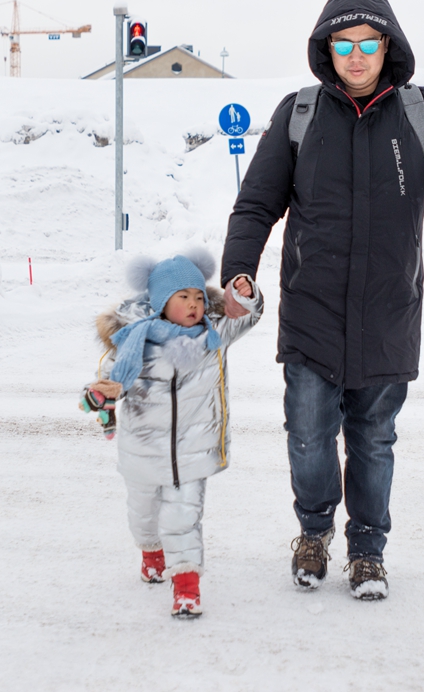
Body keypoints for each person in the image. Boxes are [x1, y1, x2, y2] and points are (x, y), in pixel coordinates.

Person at [220, 0, 424, 601]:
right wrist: (240, 268)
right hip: (312, 310)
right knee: (308, 435)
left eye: (368, 43)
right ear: (328, 48)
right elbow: (257, 201)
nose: (357, 55)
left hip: (389, 310)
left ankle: (367, 550)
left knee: (373, 438)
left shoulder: (420, 112)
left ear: (386, 45)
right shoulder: (300, 113)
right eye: (345, 44)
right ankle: (314, 534)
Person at [83, 250, 262, 618]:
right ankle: (151, 554)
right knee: (143, 516)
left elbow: (247, 318)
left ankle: (186, 586)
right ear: (162, 303)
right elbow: (108, 382)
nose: (195, 305)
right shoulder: (134, 341)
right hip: (142, 452)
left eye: (199, 296)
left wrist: (246, 296)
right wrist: (101, 394)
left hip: (191, 455)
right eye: (184, 297)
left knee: (183, 519)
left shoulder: (212, 336)